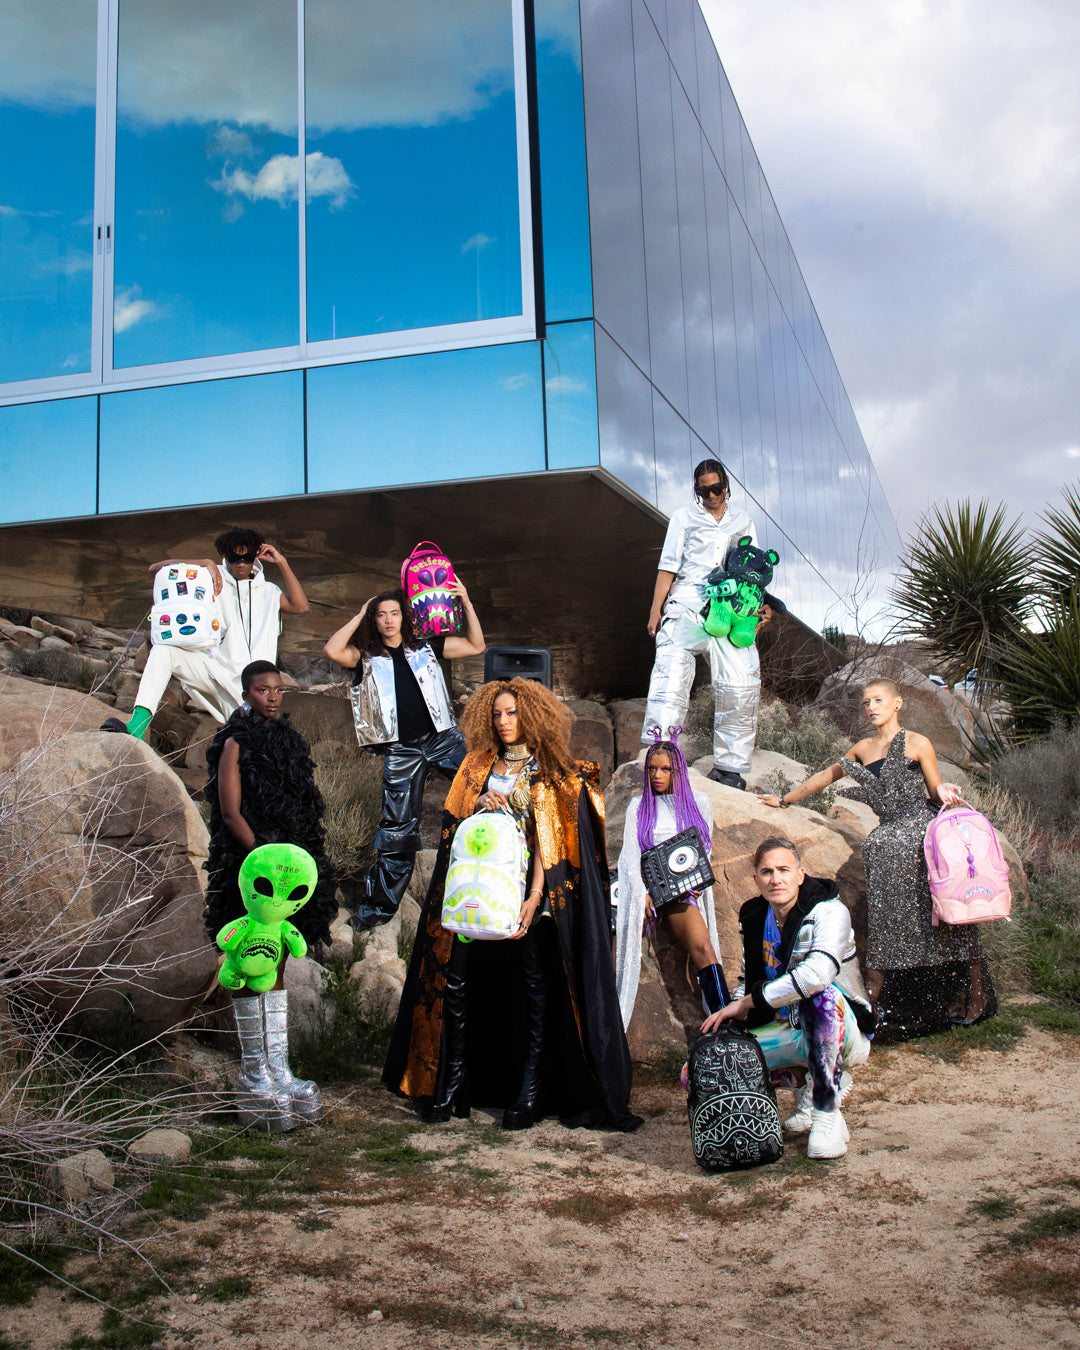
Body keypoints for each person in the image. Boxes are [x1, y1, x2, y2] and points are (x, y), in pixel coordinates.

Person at [383, 678, 642, 1133]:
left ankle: (530, 1090)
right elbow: (457, 831)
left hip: (527, 896)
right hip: (475, 893)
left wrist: (535, 897)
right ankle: (452, 1084)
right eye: (497, 714)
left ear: (532, 715)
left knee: (535, 986)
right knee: (455, 980)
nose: (504, 722)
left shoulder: (551, 768)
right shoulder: (476, 764)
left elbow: (551, 843)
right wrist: (479, 804)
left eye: (513, 713)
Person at [758, 679, 996, 1040]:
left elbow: (935, 790)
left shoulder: (918, 742)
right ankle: (873, 998)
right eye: (866, 702)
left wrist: (944, 789)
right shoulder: (862, 748)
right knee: (886, 917)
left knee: (948, 913)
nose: (871, 707)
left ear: (897, 703)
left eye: (878, 700)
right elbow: (825, 776)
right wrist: (785, 799)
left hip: (921, 837)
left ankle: (976, 994)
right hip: (884, 844)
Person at [204, 660, 339, 1128]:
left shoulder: (290, 741)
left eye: (279, 690)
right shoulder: (235, 742)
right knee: (250, 961)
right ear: (247, 693)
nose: (273, 697)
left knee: (277, 960)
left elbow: (305, 804)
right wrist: (265, 861)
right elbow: (230, 811)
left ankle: (277, 1069)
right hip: (254, 871)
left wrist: (295, 866)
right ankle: (252, 1074)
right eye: (263, 691)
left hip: (289, 868)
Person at [324, 582, 485, 930]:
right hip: (401, 750)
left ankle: (507, 867)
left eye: (394, 613)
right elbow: (333, 649)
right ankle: (378, 910)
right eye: (381, 615)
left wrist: (467, 603)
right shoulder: (365, 657)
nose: (388, 620)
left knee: (486, 785)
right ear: (374, 620)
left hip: (442, 739)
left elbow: (476, 645)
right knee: (397, 830)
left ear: (404, 616)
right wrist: (359, 613)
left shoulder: (426, 645)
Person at [702, 837, 874, 1160]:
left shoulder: (829, 911)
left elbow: (817, 975)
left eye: (784, 870)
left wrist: (748, 1002)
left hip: (841, 1027)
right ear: (755, 879)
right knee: (705, 1067)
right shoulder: (754, 915)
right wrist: (734, 1017)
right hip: (785, 1027)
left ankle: (826, 1112)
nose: (775, 879)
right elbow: (748, 978)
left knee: (818, 997)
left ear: (800, 875)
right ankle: (809, 1083)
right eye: (767, 872)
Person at [103, 527, 309, 739]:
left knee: (254, 743)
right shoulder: (209, 578)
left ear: (256, 556)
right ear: (225, 556)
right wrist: (205, 563)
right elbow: (156, 570)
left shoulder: (269, 591)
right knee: (164, 651)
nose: (240, 564)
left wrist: (282, 562)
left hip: (252, 687)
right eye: (234, 557)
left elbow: (301, 606)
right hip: (213, 671)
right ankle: (138, 725)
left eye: (246, 558)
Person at [642, 458, 765, 790]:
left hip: (729, 609)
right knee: (670, 675)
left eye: (716, 489)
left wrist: (757, 607)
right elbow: (668, 565)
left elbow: (754, 567)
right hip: (688, 604)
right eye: (703, 491)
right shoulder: (683, 517)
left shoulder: (743, 520)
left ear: (726, 485)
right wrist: (655, 610)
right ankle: (662, 754)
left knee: (740, 682)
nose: (711, 496)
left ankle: (730, 767)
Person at [615, 737, 729, 1028]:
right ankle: (725, 1023)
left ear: (678, 771)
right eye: (652, 769)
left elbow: (704, 848)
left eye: (665, 769)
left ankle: (726, 1024)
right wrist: (641, 892)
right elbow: (630, 856)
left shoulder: (699, 802)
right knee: (703, 950)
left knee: (704, 950)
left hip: (685, 890)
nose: (657, 775)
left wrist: (690, 882)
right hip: (655, 892)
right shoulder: (638, 806)